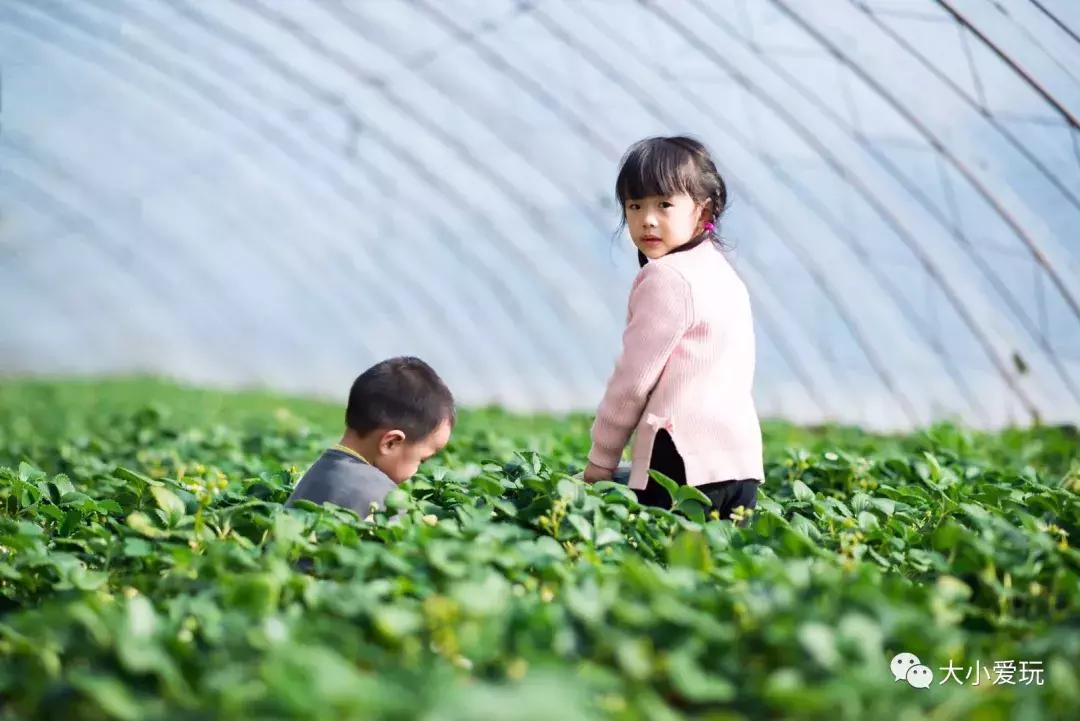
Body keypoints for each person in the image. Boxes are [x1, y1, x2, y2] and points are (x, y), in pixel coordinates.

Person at [583, 136, 764, 526]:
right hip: (741, 466)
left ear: (703, 210)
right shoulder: (724, 275)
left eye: (664, 204)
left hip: (681, 464)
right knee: (717, 560)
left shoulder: (666, 277)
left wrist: (601, 460)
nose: (647, 219)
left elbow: (633, 382)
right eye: (635, 205)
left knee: (655, 556)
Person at [287, 356, 454, 518]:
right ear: (391, 443)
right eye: (422, 460)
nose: (417, 471)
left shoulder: (317, 471)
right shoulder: (382, 498)